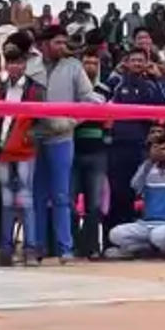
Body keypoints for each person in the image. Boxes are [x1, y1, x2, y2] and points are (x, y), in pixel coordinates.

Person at [34, 25, 102, 263]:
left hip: (62, 138)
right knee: (36, 196)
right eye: (57, 43)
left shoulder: (73, 66)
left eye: (65, 43)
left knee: (62, 196)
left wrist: (70, 122)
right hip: (32, 139)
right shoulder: (31, 66)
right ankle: (37, 248)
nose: (63, 47)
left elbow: (89, 99)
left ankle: (65, 249)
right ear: (44, 45)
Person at [106, 124, 165, 259]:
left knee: (159, 237)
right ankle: (146, 249)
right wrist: (150, 160)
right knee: (115, 234)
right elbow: (134, 185)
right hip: (145, 225)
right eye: (161, 149)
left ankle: (140, 250)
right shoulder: (148, 167)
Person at [104, 45, 165, 240]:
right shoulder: (116, 81)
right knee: (117, 192)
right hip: (116, 146)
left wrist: (158, 78)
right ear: (127, 62)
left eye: (141, 60)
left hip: (140, 146)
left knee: (135, 191)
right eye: (133, 60)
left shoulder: (150, 85)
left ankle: (131, 240)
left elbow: (164, 106)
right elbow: (98, 98)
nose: (137, 64)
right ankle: (110, 240)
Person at [0, 47, 43, 266]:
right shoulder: (0, 89)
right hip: (3, 151)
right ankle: (5, 249)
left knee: (26, 199)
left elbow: (42, 121)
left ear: (24, 65)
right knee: (6, 201)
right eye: (10, 63)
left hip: (24, 151)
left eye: (18, 63)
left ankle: (30, 249)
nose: (14, 67)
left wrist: (29, 136)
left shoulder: (35, 89)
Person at [73, 49, 112, 260]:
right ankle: (74, 244)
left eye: (93, 63)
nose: (89, 66)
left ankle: (92, 247)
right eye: (86, 62)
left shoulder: (104, 89)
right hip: (73, 151)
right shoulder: (73, 89)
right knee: (69, 202)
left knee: (94, 205)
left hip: (97, 152)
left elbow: (108, 120)